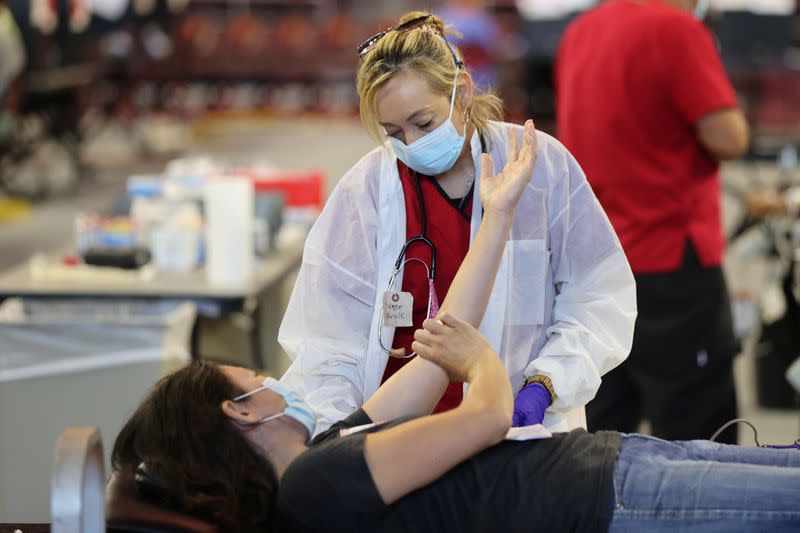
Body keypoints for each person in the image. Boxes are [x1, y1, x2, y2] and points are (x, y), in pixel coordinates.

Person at [110, 141, 800, 531]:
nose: (273, 381)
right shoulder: (315, 486)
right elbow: (486, 412)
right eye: (252, 379)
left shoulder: (326, 447)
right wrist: (489, 367)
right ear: (243, 410)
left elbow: (428, 369)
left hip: (600, 464)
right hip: (596, 499)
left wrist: (495, 220)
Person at [278, 10, 637, 435]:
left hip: (517, 426)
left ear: (462, 92)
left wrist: (546, 383)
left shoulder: (538, 167)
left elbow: (598, 296)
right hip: (402, 437)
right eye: (393, 132)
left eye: (423, 123)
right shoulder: (368, 190)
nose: (410, 144)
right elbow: (327, 339)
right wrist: (339, 435)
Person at [555, 0, 751, 443]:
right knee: (699, 430)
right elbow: (729, 136)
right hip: (669, 260)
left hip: (597, 261)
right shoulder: (676, 30)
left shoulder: (581, 32)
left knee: (606, 429)